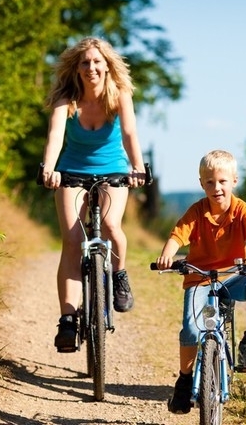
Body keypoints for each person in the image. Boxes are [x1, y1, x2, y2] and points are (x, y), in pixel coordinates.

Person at [40, 37, 147, 353]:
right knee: (73, 240)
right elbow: (55, 136)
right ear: (77, 68)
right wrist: (49, 168)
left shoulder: (119, 95)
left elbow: (129, 133)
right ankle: (68, 321)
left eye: (97, 62)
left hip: (113, 170)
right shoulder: (66, 99)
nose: (91, 68)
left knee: (111, 226)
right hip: (71, 171)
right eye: (85, 62)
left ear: (107, 66)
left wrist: (137, 167)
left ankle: (119, 275)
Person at [154, 150, 246, 414]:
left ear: (234, 181)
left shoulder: (241, 210)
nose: (216, 187)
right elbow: (177, 236)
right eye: (209, 182)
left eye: (222, 181)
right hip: (199, 279)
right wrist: (167, 256)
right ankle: (184, 380)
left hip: (233, 276)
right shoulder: (197, 211)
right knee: (190, 330)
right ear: (201, 184)